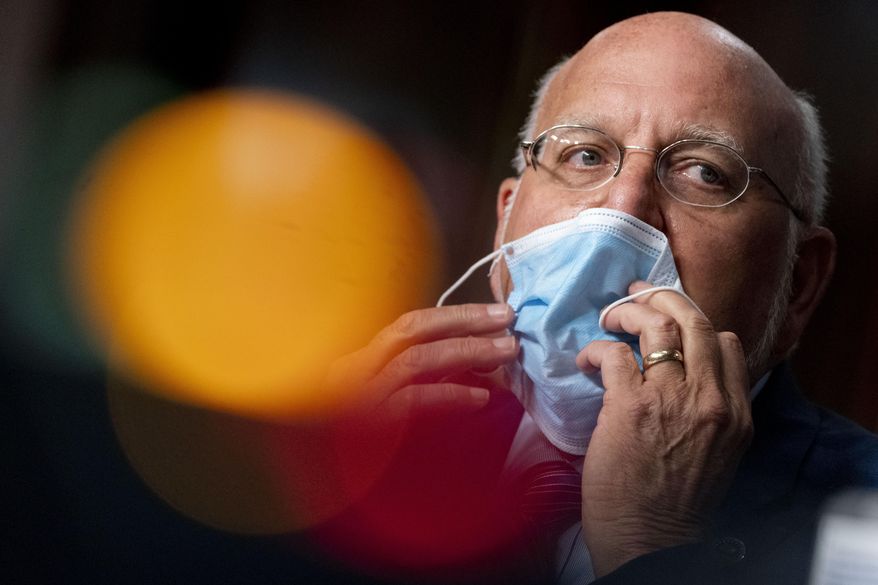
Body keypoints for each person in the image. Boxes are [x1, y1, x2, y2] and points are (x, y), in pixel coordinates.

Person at [333, 11, 878, 584]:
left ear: (799, 283)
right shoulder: (371, 446)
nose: (620, 211)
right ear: (505, 224)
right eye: (585, 155)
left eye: (704, 173)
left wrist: (653, 547)